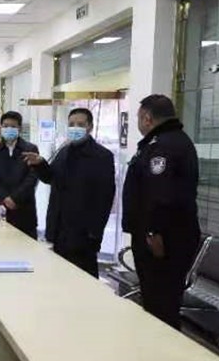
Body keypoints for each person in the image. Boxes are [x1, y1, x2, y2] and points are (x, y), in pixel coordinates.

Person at [122, 94, 200, 329]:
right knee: (159, 300)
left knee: (160, 303)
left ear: (147, 118)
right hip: (167, 234)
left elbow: (160, 194)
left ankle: (161, 348)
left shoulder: (162, 146)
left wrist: (153, 232)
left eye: (139, 118)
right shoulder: (172, 141)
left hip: (163, 239)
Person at [23, 108, 115, 278]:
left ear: (90, 127)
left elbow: (105, 197)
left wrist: (95, 233)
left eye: (80, 124)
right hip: (60, 229)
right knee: (60, 278)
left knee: (84, 279)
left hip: (83, 233)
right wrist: (40, 164)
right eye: (71, 124)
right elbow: (51, 178)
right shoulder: (64, 151)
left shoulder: (102, 156)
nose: (75, 128)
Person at [0, 111, 40, 238]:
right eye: (5, 126)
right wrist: (5, 198)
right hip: (0, 207)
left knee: (27, 246)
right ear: (1, 128)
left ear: (19, 128)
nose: (9, 129)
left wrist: (15, 198)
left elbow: (33, 177)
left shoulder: (30, 149)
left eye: (13, 126)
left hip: (24, 209)